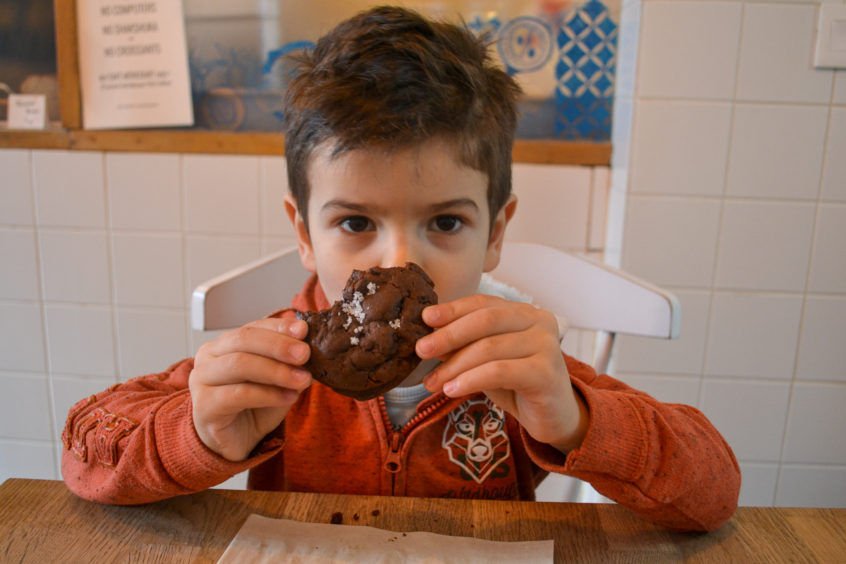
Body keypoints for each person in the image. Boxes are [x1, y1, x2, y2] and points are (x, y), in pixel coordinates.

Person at [61, 6, 740, 532]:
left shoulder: (519, 367)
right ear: (304, 233)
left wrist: (576, 421)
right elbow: (82, 452)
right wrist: (197, 434)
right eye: (356, 223)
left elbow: (715, 490)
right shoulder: (275, 363)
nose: (399, 263)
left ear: (495, 233)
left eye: (445, 223)